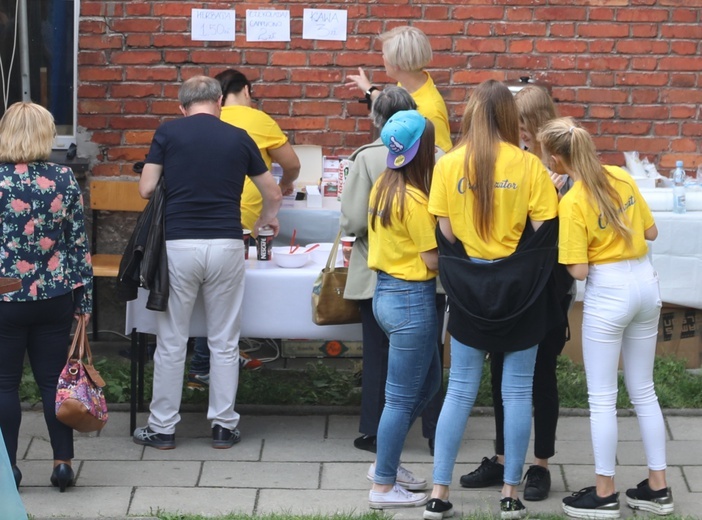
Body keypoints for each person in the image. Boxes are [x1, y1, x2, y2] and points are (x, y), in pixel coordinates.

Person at [425, 80, 560, 520]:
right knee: (517, 391)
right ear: (507, 117)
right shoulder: (529, 165)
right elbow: (543, 231)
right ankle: (509, 494)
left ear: (469, 114)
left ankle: (439, 492)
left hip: (469, 288)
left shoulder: (448, 166)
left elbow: (444, 234)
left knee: (460, 390)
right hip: (520, 291)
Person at [133, 76, 282, 450]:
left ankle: (163, 428)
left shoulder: (168, 134)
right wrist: (266, 219)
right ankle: (223, 425)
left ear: (182, 107)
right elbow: (273, 191)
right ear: (218, 101)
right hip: (227, 244)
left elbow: (147, 188)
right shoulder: (238, 136)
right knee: (224, 341)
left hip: (179, 245)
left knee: (171, 341)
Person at [538, 117, 673, 519]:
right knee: (643, 389)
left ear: (558, 161)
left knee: (602, 398)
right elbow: (651, 233)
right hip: (646, 284)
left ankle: (604, 492)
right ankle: (658, 487)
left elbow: (578, 270)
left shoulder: (572, 201)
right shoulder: (620, 176)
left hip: (608, 290)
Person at [459, 84, 573, 501]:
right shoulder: (515, 162)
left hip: (549, 286)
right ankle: (506, 457)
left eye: (523, 127)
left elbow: (571, 226)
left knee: (539, 375)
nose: (517, 135)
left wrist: (561, 191)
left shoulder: (564, 161)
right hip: (511, 282)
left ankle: (540, 463)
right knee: (502, 372)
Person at [340, 87, 445, 458]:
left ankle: (374, 431)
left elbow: (352, 220)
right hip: (421, 277)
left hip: (378, 277)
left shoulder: (370, 162)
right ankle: (433, 432)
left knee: (379, 359)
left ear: (378, 120)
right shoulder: (438, 160)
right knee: (429, 361)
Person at [0, 102, 93, 492]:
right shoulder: (63, 178)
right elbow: (77, 245)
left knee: (4, 385)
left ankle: (9, 471)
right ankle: (62, 465)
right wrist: (84, 304)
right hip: (55, 295)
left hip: (5, 298)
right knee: (56, 383)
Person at [187, 69, 300, 388]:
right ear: (246, 90)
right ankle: (204, 363)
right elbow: (291, 164)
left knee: (210, 293)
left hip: (200, 216)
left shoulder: (206, 119)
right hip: (240, 220)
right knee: (224, 295)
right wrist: (286, 183)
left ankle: (214, 356)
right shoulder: (258, 120)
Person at [366, 110, 441, 509]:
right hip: (411, 299)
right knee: (400, 398)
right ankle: (382, 485)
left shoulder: (384, 184)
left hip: (386, 295)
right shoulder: (414, 199)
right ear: (422, 151)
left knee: (428, 384)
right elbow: (431, 260)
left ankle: (386, 462)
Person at [346, 26, 452, 153]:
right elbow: (394, 104)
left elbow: (442, 158)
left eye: (384, 54)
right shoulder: (409, 84)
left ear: (396, 65)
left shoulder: (430, 111)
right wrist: (369, 90)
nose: (383, 58)